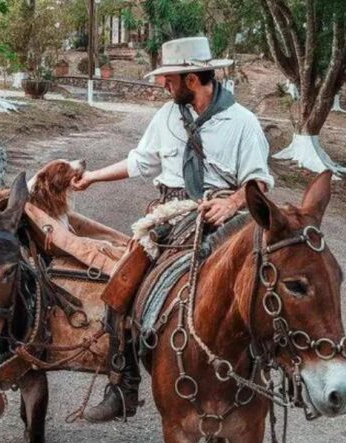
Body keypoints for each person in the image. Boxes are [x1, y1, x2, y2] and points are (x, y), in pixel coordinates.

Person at [71, 36, 275, 423]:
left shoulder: (243, 122)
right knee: (120, 289)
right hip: (170, 214)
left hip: (225, 217)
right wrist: (93, 178)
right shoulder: (166, 116)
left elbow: (259, 183)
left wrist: (231, 203)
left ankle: (263, 375)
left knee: (260, 288)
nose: (164, 84)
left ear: (192, 79)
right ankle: (123, 385)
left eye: (170, 78)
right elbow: (139, 162)